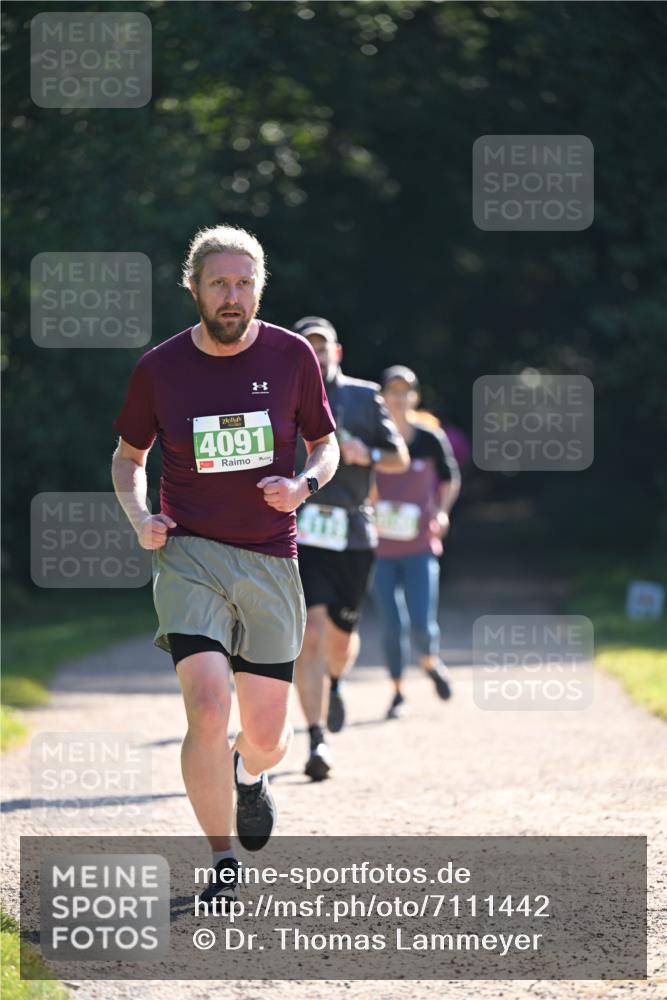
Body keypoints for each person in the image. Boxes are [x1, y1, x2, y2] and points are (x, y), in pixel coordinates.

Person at [111, 227, 339, 906]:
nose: (232, 296)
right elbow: (127, 457)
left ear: (259, 288)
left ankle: (248, 772)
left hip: (270, 557)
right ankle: (221, 859)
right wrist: (139, 517)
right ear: (194, 288)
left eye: (243, 283)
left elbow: (326, 445)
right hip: (189, 555)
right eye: (219, 283)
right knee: (208, 705)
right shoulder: (160, 368)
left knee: (266, 739)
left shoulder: (292, 354)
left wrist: (303, 486)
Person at [292, 317, 409, 781]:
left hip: (355, 533)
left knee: (340, 639)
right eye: (307, 346)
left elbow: (399, 455)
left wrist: (368, 455)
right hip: (301, 531)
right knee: (311, 636)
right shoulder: (280, 396)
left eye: (323, 346)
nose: (316, 353)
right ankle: (317, 737)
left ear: (336, 353)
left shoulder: (363, 396)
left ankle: (336, 681)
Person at [372, 365, 460, 719]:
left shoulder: (428, 439)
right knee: (392, 625)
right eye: (392, 390)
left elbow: (450, 478)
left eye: (405, 391)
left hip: (420, 547)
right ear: (382, 397)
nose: (399, 397)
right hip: (380, 550)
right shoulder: (375, 440)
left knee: (422, 623)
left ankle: (429, 660)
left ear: (415, 397)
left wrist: (442, 512)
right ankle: (397, 691)